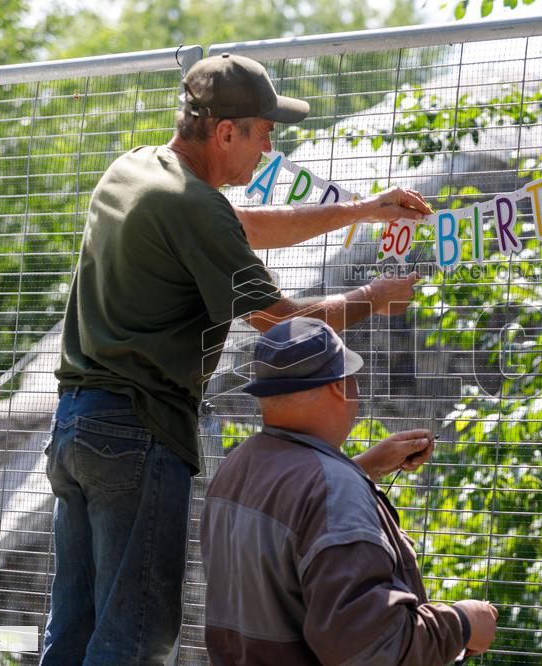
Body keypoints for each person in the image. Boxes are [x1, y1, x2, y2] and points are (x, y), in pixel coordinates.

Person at [42, 53, 435, 665]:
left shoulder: (139, 169)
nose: (269, 145)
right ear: (227, 132)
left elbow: (242, 225)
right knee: (135, 639)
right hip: (138, 432)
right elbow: (279, 321)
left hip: (75, 429)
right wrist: (371, 298)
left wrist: (362, 211)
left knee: (71, 631)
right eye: (264, 131)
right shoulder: (192, 206)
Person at [202, 317, 499, 664]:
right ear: (340, 387)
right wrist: (462, 624)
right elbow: (374, 650)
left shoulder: (236, 467)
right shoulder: (332, 490)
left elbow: (289, 536)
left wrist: (359, 468)